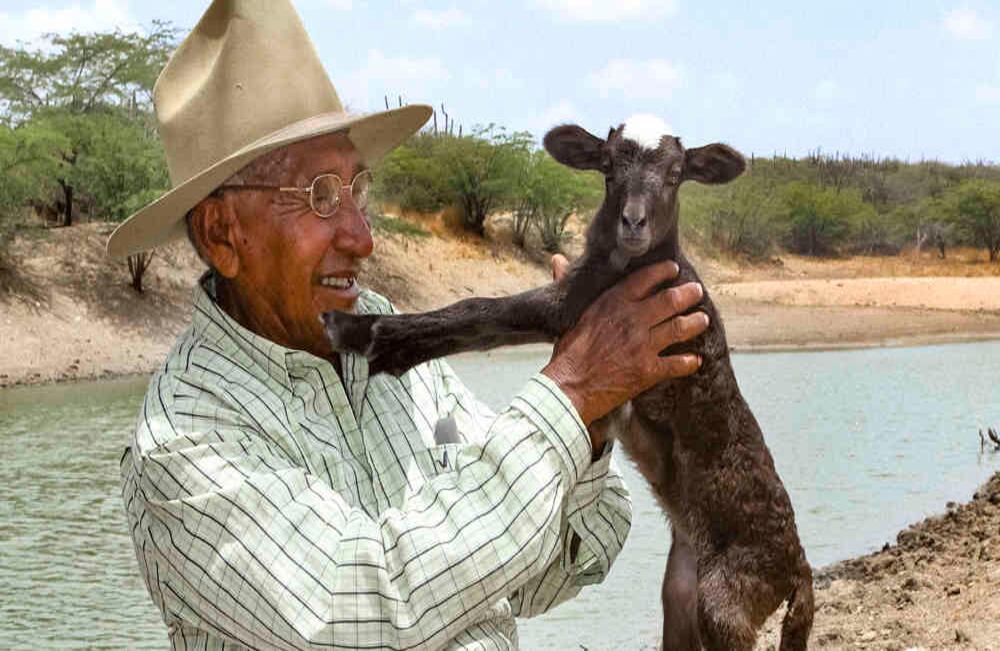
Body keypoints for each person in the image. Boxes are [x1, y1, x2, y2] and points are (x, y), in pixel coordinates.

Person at [112, 1, 708, 648]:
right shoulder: (184, 440)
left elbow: (557, 567)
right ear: (222, 233)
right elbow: (370, 607)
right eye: (319, 197)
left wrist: (590, 421)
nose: (362, 237)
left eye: (358, 190)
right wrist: (571, 391)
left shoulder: (385, 337)